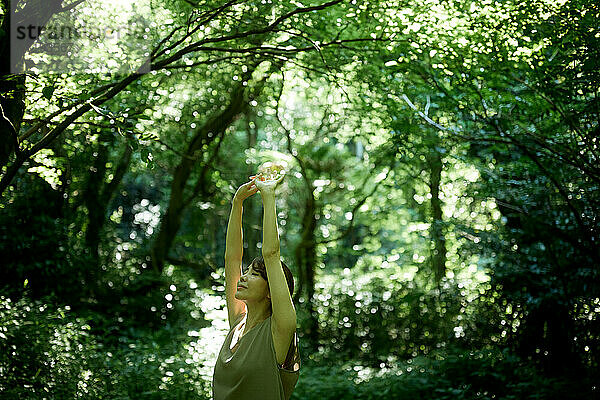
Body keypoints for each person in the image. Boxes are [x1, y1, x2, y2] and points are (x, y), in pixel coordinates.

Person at [212, 175, 300, 400]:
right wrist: (237, 202)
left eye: (255, 274)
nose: (243, 277)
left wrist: (268, 195)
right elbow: (232, 258)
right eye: (247, 271)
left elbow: (271, 255)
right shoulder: (238, 322)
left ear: (271, 291)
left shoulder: (279, 330)